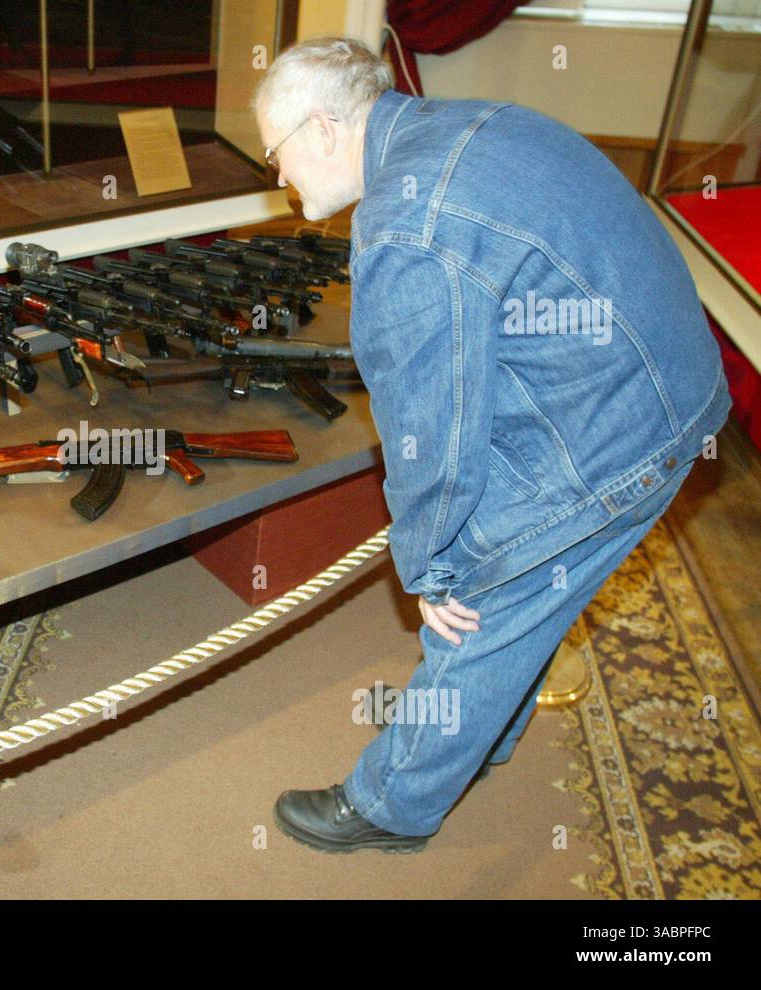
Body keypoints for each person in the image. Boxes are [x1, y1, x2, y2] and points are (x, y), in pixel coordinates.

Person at [253, 38, 731, 853]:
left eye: (276, 153)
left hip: (618, 428)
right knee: (527, 593)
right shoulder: (462, 126)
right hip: (665, 379)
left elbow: (425, 436)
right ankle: (483, 741)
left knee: (476, 602)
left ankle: (391, 806)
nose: (279, 178)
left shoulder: (405, 229)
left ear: (326, 129)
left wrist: (432, 566)